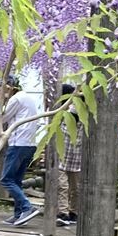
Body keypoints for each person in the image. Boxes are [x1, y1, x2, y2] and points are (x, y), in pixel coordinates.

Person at [0, 78, 42, 227]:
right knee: (16, 180)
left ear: (8, 88)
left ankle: (27, 206)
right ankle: (19, 214)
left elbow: (2, 118)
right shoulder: (28, 97)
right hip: (30, 144)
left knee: (6, 180)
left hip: (18, 143)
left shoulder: (16, 99)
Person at [51, 84, 81, 227]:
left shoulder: (77, 110)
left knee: (75, 187)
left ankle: (74, 212)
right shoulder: (61, 111)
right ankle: (63, 212)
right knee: (63, 185)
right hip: (63, 153)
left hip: (76, 154)